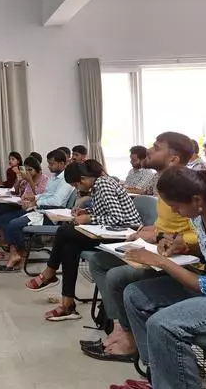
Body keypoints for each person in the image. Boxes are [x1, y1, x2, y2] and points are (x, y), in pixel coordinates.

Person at [111, 167, 206, 389]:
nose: (174, 210)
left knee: (164, 324)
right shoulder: (200, 218)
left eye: (176, 205)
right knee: (135, 295)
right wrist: (186, 248)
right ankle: (160, 375)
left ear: (197, 199)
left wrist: (163, 262)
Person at [83, 132, 198, 362]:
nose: (150, 151)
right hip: (160, 246)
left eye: (156, 147)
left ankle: (129, 339)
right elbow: (165, 225)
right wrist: (150, 231)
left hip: (179, 258)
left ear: (174, 159)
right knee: (98, 260)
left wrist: (163, 236)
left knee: (117, 277)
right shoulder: (163, 183)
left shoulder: (187, 186)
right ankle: (119, 326)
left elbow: (197, 233)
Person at [25, 160, 142, 321]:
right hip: (108, 231)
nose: (77, 189)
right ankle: (68, 305)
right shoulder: (97, 185)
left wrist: (89, 218)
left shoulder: (103, 185)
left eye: (75, 185)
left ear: (83, 179)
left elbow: (117, 218)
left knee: (64, 231)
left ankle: (50, 272)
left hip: (124, 233)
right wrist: (85, 211)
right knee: (69, 248)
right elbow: (105, 210)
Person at [0, 156, 48, 272]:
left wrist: (30, 181)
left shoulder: (44, 179)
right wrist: (20, 179)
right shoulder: (26, 179)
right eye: (26, 170)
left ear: (38, 170)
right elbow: (16, 192)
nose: (28, 173)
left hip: (35, 210)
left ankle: (20, 251)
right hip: (24, 207)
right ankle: (13, 251)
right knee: (3, 218)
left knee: (12, 223)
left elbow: (40, 195)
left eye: (30, 170)